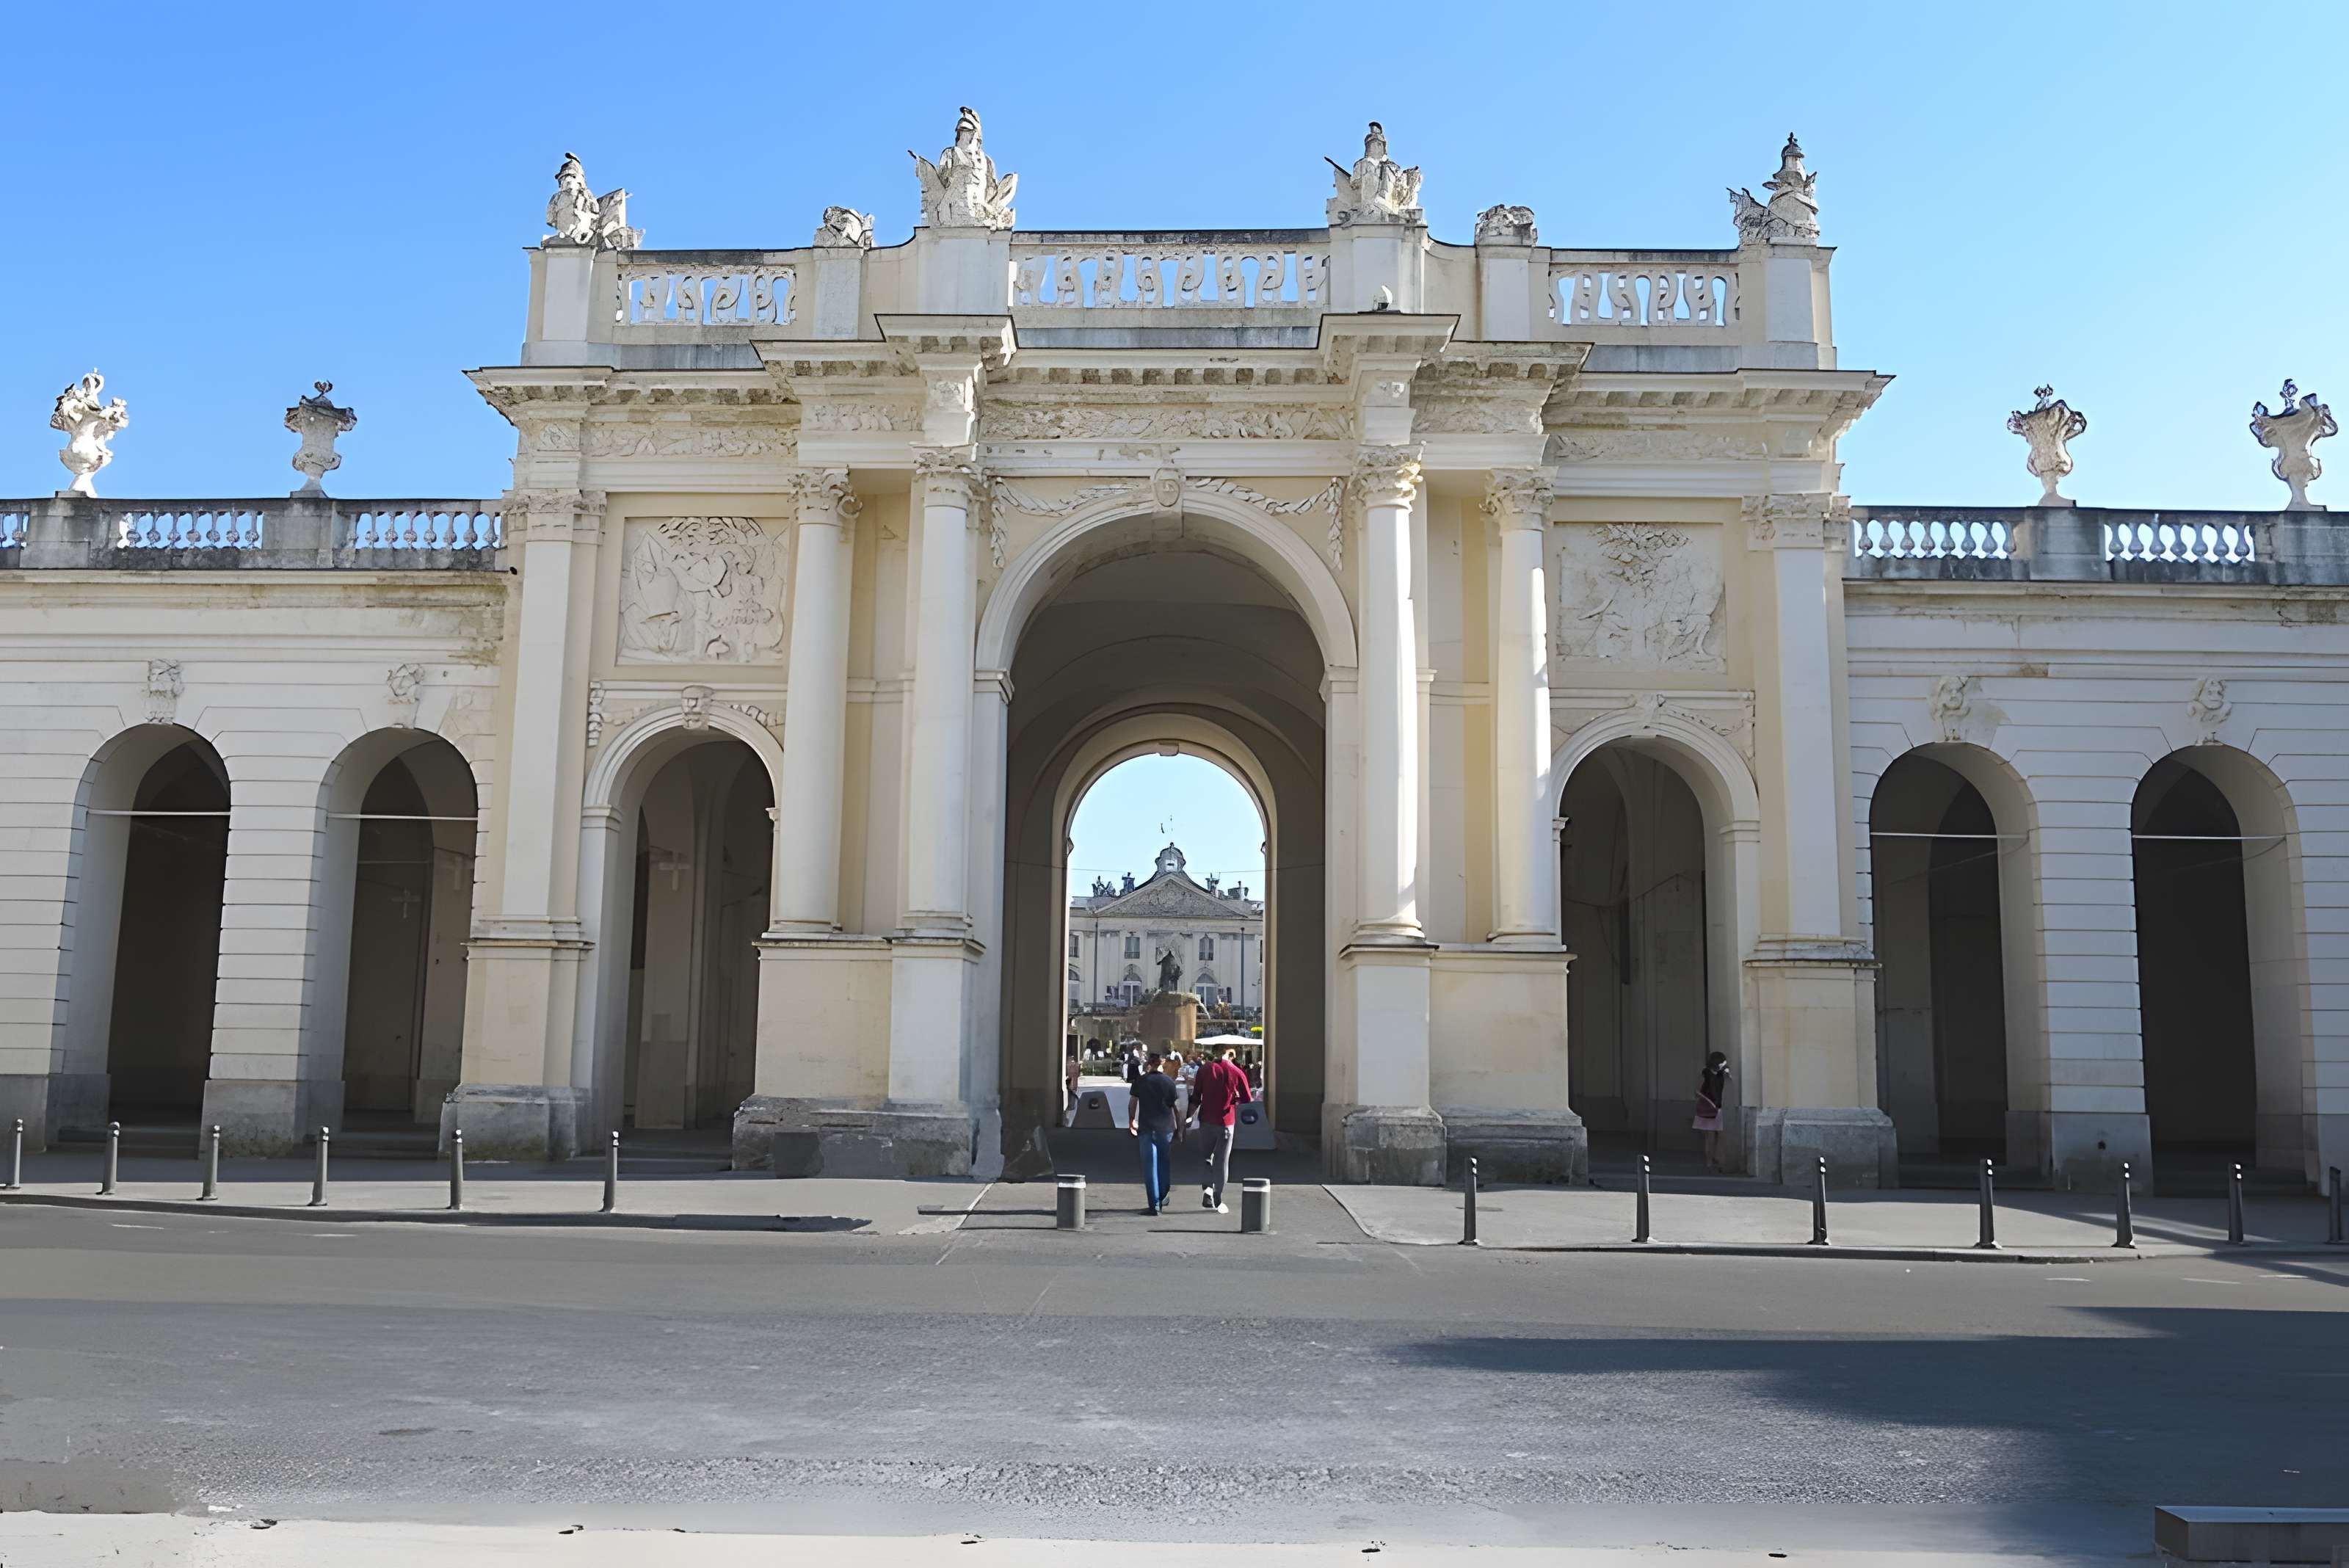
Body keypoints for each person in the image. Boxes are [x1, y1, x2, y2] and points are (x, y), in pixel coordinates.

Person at [1188, 1046, 1254, 1213]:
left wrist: (1188, 1117)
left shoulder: (1204, 1070)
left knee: (1206, 1158)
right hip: (1226, 1121)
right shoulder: (1236, 1071)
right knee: (1222, 1161)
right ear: (1230, 1054)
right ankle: (1218, 1196)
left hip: (1206, 1120)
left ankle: (1207, 1191)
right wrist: (1234, 1099)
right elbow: (1247, 1098)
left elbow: (1196, 1096)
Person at [1126, 1051, 1183, 1216]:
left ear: (1149, 1064)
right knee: (1164, 1164)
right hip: (1166, 1129)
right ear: (1162, 1064)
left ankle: (1154, 1204)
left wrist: (1131, 1121)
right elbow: (1176, 1109)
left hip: (1147, 1128)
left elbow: (1132, 1103)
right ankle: (1164, 1195)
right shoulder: (1169, 1082)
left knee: (1150, 1168)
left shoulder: (1141, 1081)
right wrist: (1180, 1130)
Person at [1693, 1050, 1731, 1171]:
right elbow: (1697, 1091)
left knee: (1715, 1135)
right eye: (1723, 1062)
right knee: (1714, 1135)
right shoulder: (1706, 1074)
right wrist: (1709, 1101)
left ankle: (1714, 1159)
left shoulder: (1721, 1074)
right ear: (1718, 1063)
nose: (1725, 1064)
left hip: (1716, 1107)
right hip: (1710, 1108)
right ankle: (1714, 1160)